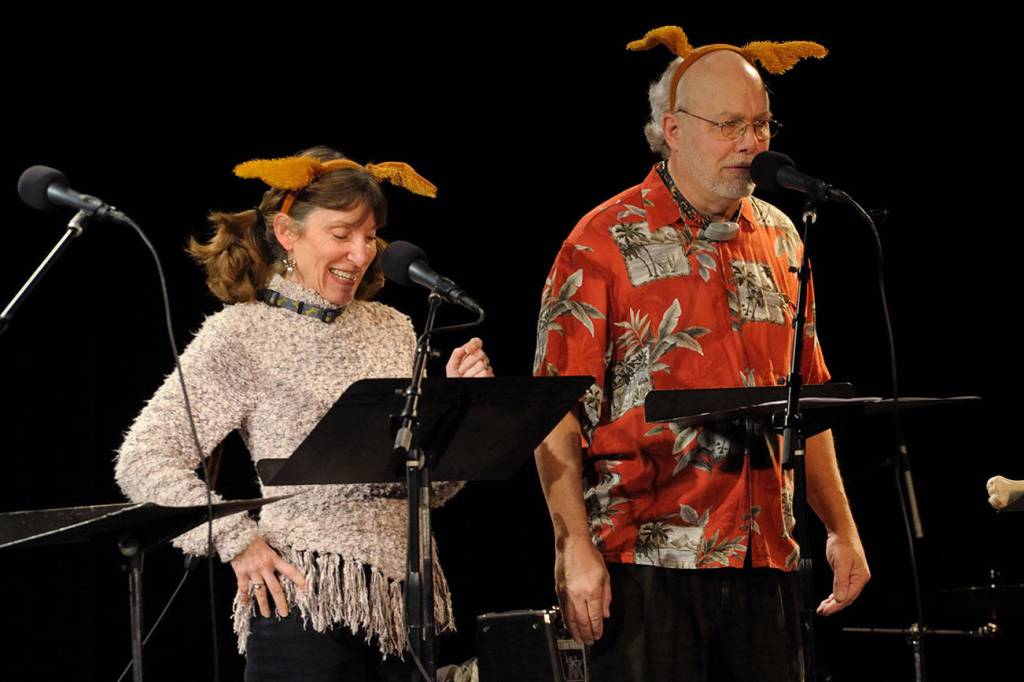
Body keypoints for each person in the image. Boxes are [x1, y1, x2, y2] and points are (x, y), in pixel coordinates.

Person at [533, 26, 869, 681]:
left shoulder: (783, 239)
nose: (751, 143)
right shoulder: (601, 241)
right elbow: (553, 412)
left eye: (761, 124)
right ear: (673, 129)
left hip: (764, 554)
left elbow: (809, 399)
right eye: (728, 125)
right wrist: (571, 544)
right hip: (645, 559)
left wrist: (840, 529)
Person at [115, 146, 492, 681]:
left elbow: (426, 490)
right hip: (302, 605)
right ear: (287, 233)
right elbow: (142, 460)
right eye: (341, 234)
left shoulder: (391, 328)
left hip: (403, 611)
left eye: (370, 237)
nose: (360, 254)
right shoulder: (241, 333)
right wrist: (236, 540)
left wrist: (456, 409)